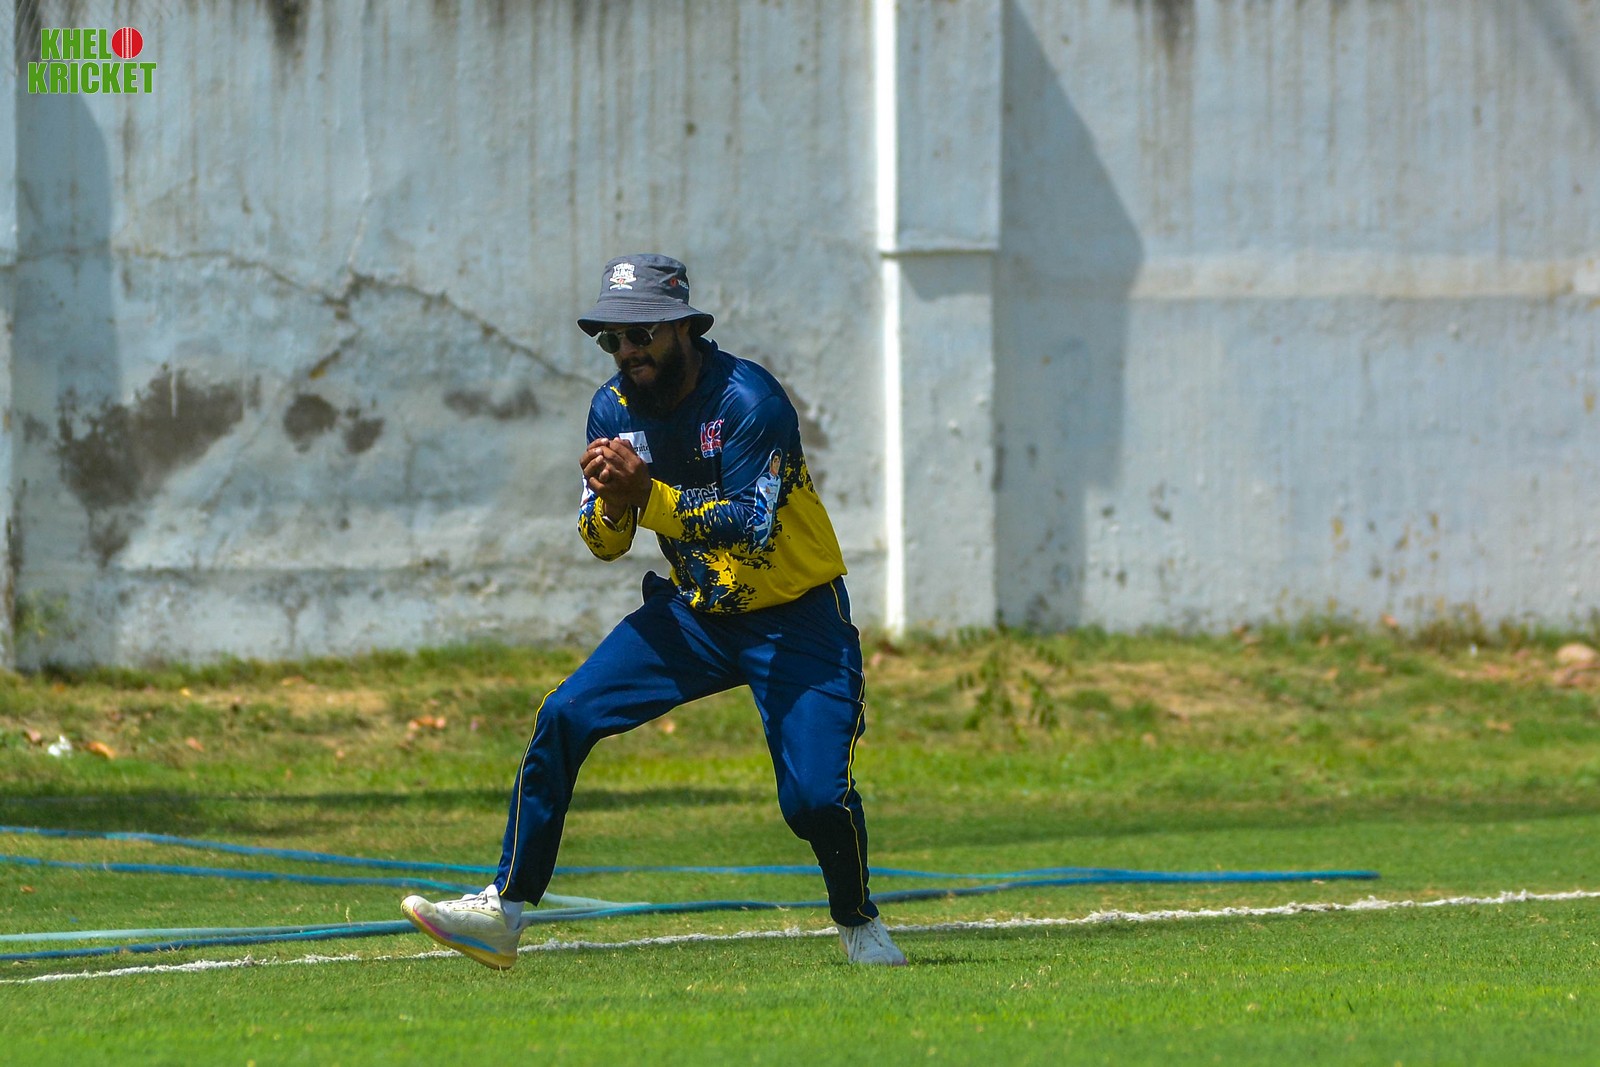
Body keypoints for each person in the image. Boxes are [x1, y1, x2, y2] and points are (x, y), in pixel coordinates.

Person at [401, 253, 906, 968]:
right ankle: (503, 910)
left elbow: (752, 524)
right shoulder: (612, 410)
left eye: (641, 335)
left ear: (683, 328)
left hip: (795, 615)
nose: (626, 351)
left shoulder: (750, 399)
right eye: (612, 338)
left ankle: (857, 919)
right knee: (565, 714)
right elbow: (603, 542)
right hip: (695, 613)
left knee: (814, 801)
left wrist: (646, 495)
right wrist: (613, 505)